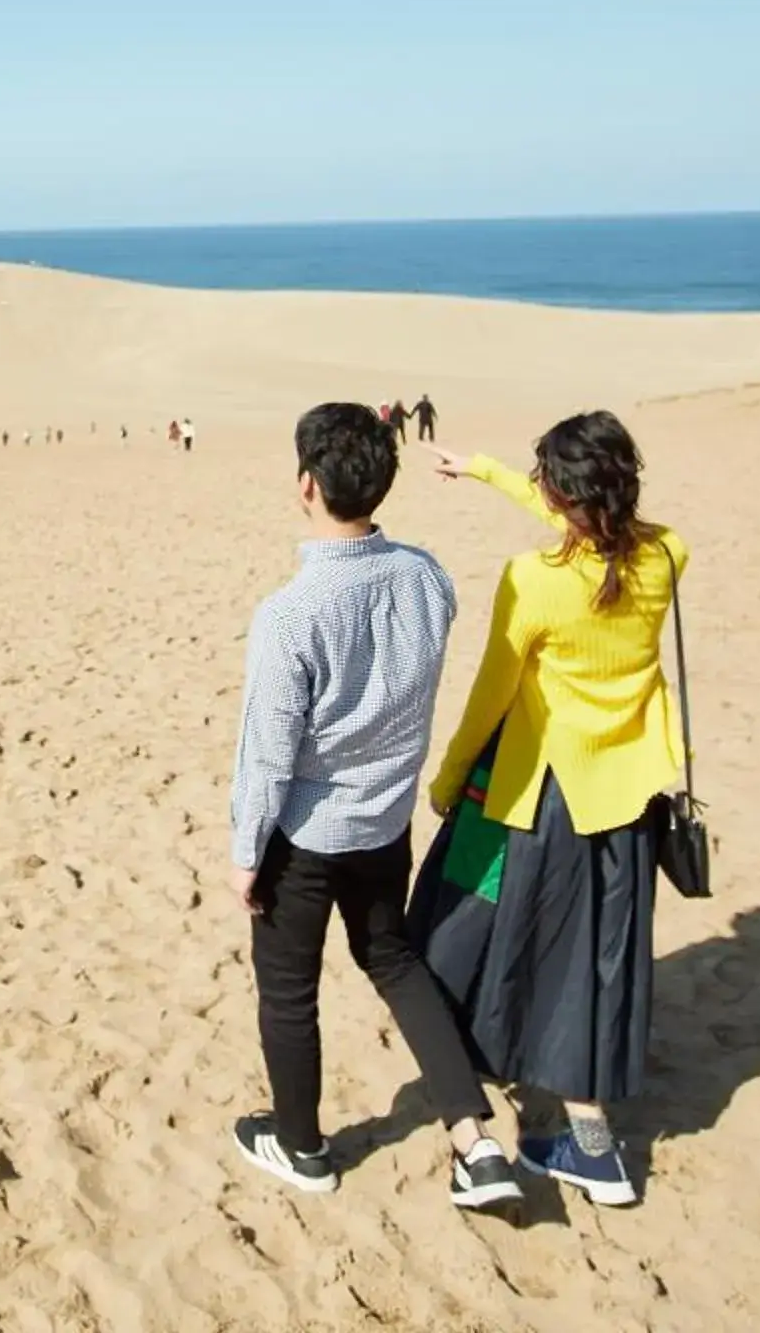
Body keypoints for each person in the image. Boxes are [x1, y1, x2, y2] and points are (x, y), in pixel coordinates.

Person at [228, 403, 520, 1210]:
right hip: (387, 828)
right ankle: (476, 1140)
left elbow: (267, 754)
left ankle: (302, 1148)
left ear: (306, 486)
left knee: (288, 993)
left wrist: (246, 854)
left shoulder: (289, 614)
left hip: (306, 839)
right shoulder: (428, 576)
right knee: (393, 962)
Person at [408, 415, 683, 1208]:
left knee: (468, 920)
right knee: (596, 954)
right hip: (628, 799)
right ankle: (591, 1141)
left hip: (537, 796)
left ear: (562, 495)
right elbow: (596, 532)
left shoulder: (533, 580)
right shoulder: (666, 556)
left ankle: (560, 1132)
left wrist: (450, 775)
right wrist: (490, 472)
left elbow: (492, 692)